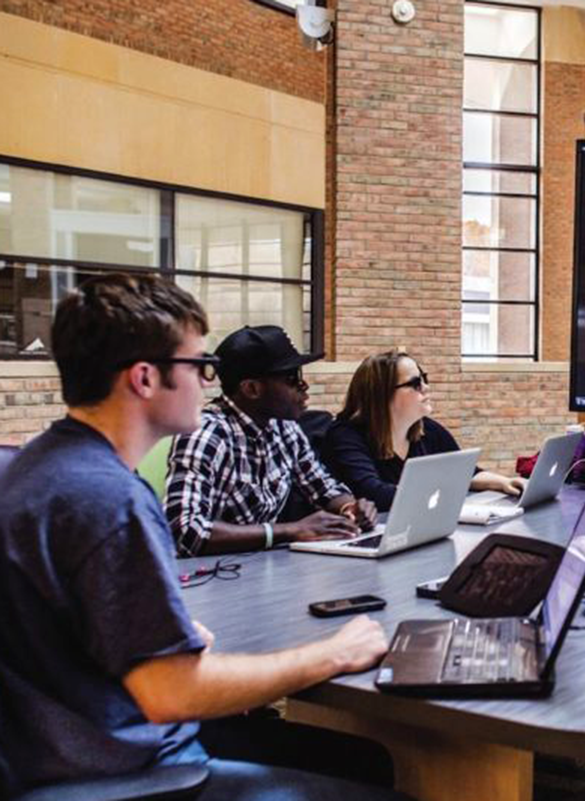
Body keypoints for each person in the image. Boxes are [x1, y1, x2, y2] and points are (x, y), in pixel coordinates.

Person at [0, 274, 403, 799]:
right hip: (122, 769)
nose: (210, 383)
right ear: (145, 378)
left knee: (361, 757)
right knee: (375, 776)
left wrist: (166, 636)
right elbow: (172, 691)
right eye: (199, 367)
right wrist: (334, 653)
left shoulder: (31, 467)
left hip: (52, 747)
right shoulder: (108, 498)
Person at [165, 325, 377, 556]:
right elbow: (184, 531)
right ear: (252, 389)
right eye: (291, 378)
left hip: (263, 568)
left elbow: (323, 487)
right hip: (210, 577)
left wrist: (350, 507)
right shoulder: (206, 435)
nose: (303, 386)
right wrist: (288, 531)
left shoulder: (285, 428)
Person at [321, 349, 525, 511]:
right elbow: (373, 494)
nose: (426, 388)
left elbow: (464, 472)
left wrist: (505, 482)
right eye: (415, 383)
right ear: (382, 394)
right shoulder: (345, 435)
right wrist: (442, 491)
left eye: (424, 379)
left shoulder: (426, 428)